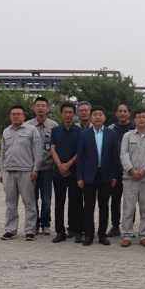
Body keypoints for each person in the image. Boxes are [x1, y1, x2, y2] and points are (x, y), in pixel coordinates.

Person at [76, 105, 121, 246]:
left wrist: (114, 176)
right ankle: (89, 234)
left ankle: (102, 234)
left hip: (106, 175)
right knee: (88, 206)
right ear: (90, 117)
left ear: (105, 117)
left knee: (104, 206)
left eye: (100, 114)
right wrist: (79, 177)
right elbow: (80, 157)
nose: (97, 117)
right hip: (89, 175)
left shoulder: (111, 134)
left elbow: (115, 157)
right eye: (94, 114)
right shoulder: (84, 134)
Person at [0, 105, 43, 240]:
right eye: (13, 114)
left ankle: (30, 230)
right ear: (10, 116)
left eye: (18, 114)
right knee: (10, 203)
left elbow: (38, 151)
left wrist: (35, 169)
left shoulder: (31, 130)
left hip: (26, 172)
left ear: (24, 116)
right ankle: (10, 230)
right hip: (9, 171)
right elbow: (3, 153)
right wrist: (2, 171)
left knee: (29, 202)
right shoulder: (6, 131)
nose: (16, 116)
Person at [119, 108, 145, 247]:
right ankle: (127, 235)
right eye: (138, 117)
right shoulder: (128, 136)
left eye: (144, 117)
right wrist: (131, 170)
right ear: (134, 119)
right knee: (128, 208)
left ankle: (144, 235)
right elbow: (124, 154)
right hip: (129, 178)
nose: (141, 119)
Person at [50, 103, 82, 243]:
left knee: (76, 202)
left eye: (70, 112)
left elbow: (80, 151)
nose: (68, 115)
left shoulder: (80, 131)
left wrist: (68, 165)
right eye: (65, 112)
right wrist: (60, 166)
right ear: (61, 114)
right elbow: (52, 149)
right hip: (58, 173)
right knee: (59, 203)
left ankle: (77, 230)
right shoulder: (55, 131)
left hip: (74, 172)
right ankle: (60, 231)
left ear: (74, 114)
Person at [29, 96, 58, 236]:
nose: (40, 108)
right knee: (32, 199)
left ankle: (46, 224)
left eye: (43, 106)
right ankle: (34, 224)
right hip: (32, 169)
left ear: (48, 108)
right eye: (38, 105)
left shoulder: (54, 126)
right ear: (34, 108)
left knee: (46, 199)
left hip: (47, 168)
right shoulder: (28, 126)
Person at [107, 103, 134, 237]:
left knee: (130, 201)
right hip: (116, 170)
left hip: (132, 170)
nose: (122, 113)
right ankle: (115, 226)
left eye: (125, 111)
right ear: (116, 113)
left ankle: (129, 227)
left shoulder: (135, 128)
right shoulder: (111, 129)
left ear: (129, 113)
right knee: (115, 200)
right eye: (120, 111)